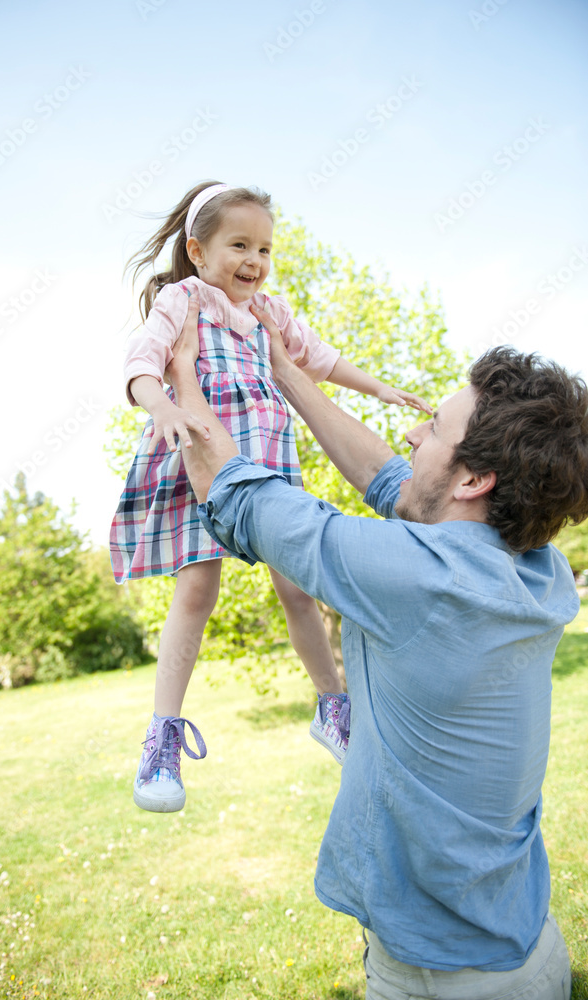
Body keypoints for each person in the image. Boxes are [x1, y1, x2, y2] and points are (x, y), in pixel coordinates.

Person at [163, 295, 588, 999]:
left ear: (473, 479)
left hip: (449, 981)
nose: (412, 434)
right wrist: (286, 370)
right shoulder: (529, 565)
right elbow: (390, 480)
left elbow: (234, 492)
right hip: (519, 949)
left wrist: (182, 374)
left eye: (433, 426)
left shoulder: (416, 577)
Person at [110, 180, 430, 814]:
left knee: (298, 588)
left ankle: (333, 708)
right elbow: (139, 365)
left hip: (270, 460)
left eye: (264, 248)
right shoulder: (183, 300)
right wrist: (165, 408)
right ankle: (161, 741)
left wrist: (381, 390)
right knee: (197, 591)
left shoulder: (270, 314)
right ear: (199, 252)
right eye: (239, 245)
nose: (254, 261)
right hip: (202, 451)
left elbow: (323, 360)